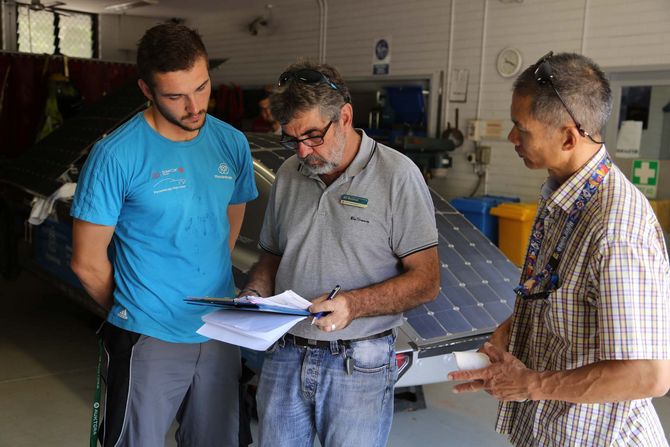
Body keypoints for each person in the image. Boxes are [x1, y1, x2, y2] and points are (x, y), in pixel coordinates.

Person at [449, 51, 670, 446]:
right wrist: (508, 333)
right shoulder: (564, 198)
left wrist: (530, 384)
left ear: (569, 136)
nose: (511, 138)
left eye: (522, 129)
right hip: (552, 429)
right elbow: (556, 297)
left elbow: (647, 375)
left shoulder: (615, 228)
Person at [70, 23, 258, 446]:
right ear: (146, 90)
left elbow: (231, 216)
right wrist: (138, 313)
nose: (194, 106)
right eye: (176, 96)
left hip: (217, 329)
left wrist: (206, 282)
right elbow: (86, 260)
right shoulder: (115, 155)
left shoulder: (231, 143)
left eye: (202, 87)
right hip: (149, 336)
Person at [240, 61, 440, 447]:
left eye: (313, 136)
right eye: (292, 138)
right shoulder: (288, 174)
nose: (303, 151)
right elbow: (271, 256)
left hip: (359, 363)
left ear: (345, 116)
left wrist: (354, 305)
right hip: (285, 354)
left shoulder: (397, 175)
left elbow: (426, 282)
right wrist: (255, 293)